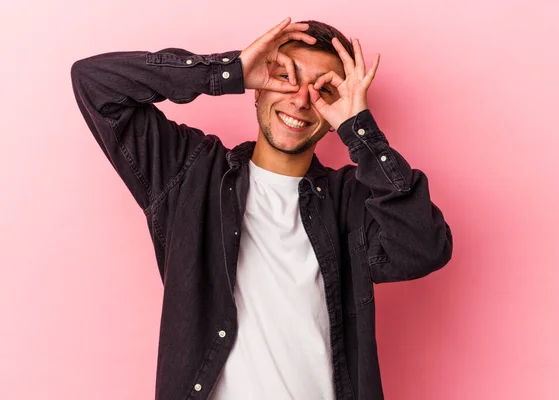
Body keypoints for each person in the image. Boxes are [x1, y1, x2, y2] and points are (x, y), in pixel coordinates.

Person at [71, 17, 453, 400]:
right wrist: (228, 71)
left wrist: (360, 130)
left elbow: (423, 248)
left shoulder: (352, 201)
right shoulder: (189, 174)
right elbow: (95, 82)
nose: (301, 100)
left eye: (324, 91)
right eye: (287, 77)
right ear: (257, 88)